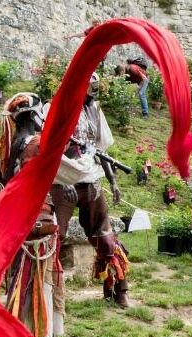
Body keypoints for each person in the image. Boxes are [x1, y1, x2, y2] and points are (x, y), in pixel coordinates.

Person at [0, 94, 73, 337]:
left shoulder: (11, 144)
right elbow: (59, 171)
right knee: (32, 280)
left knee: (33, 279)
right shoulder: (35, 143)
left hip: (20, 218)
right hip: (35, 220)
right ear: (34, 115)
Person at [48, 73, 131, 308]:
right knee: (54, 235)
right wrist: (63, 181)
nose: (93, 88)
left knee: (105, 238)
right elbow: (50, 148)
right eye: (89, 84)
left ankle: (117, 288)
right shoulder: (57, 108)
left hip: (90, 179)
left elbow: (99, 149)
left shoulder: (94, 109)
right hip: (62, 181)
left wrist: (112, 180)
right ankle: (46, 293)